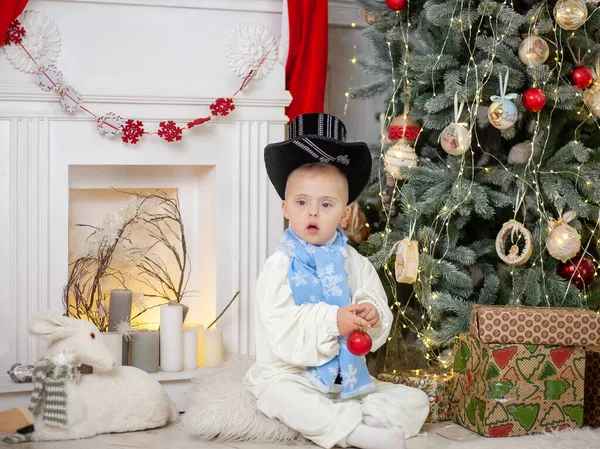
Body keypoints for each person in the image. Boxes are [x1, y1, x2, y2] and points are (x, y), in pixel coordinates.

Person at [243, 113, 429, 449]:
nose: (312, 213)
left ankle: (363, 416)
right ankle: (357, 433)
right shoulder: (279, 265)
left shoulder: (355, 262)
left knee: (416, 400)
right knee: (279, 396)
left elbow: (374, 307)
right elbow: (282, 330)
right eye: (302, 203)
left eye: (326, 204)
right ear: (286, 208)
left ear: (344, 215)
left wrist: (371, 316)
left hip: (348, 380)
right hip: (293, 374)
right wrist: (334, 321)